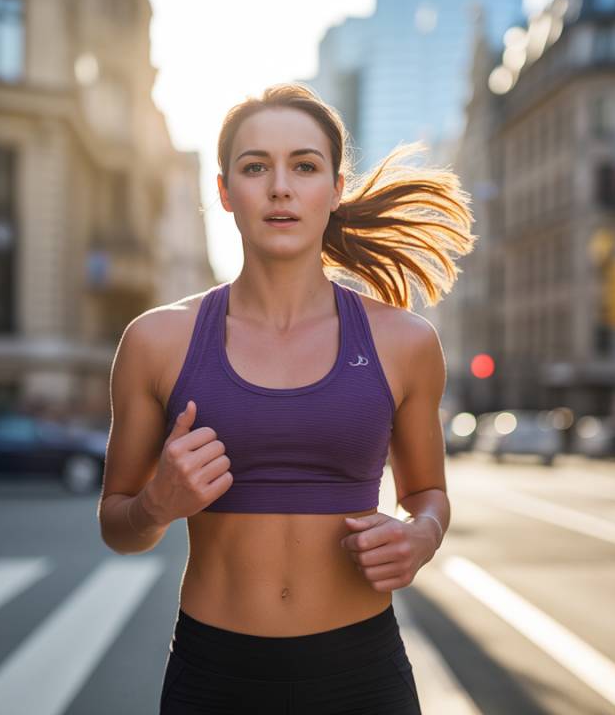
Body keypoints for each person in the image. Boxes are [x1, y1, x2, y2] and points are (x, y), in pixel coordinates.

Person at [98, 82, 476, 714]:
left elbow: (427, 496)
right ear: (224, 191)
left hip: (362, 676)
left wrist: (423, 536)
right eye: (255, 167)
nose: (280, 187)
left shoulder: (405, 342)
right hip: (214, 678)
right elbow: (117, 525)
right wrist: (157, 504)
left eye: (304, 166)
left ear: (334, 189)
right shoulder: (156, 341)